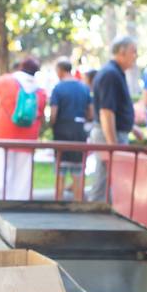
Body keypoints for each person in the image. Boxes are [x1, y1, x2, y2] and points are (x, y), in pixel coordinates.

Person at [88, 36, 139, 202]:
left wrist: (132, 127)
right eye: (133, 52)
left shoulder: (115, 73)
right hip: (108, 134)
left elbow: (115, 109)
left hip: (112, 132)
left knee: (108, 180)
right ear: (122, 52)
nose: (135, 56)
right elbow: (106, 111)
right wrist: (112, 144)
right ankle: (95, 217)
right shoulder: (110, 74)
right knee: (104, 181)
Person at [0, 57, 45, 200]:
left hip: (2, 136)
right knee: (23, 176)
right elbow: (40, 114)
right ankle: (20, 205)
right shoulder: (40, 91)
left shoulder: (6, 81)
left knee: (0, 174)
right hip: (28, 137)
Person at [46, 59, 92, 199]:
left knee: (60, 172)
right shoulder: (84, 87)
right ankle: (77, 203)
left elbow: (53, 113)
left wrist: (51, 124)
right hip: (79, 132)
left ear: (60, 70)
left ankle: (58, 203)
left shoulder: (58, 88)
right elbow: (91, 113)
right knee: (78, 173)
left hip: (62, 132)